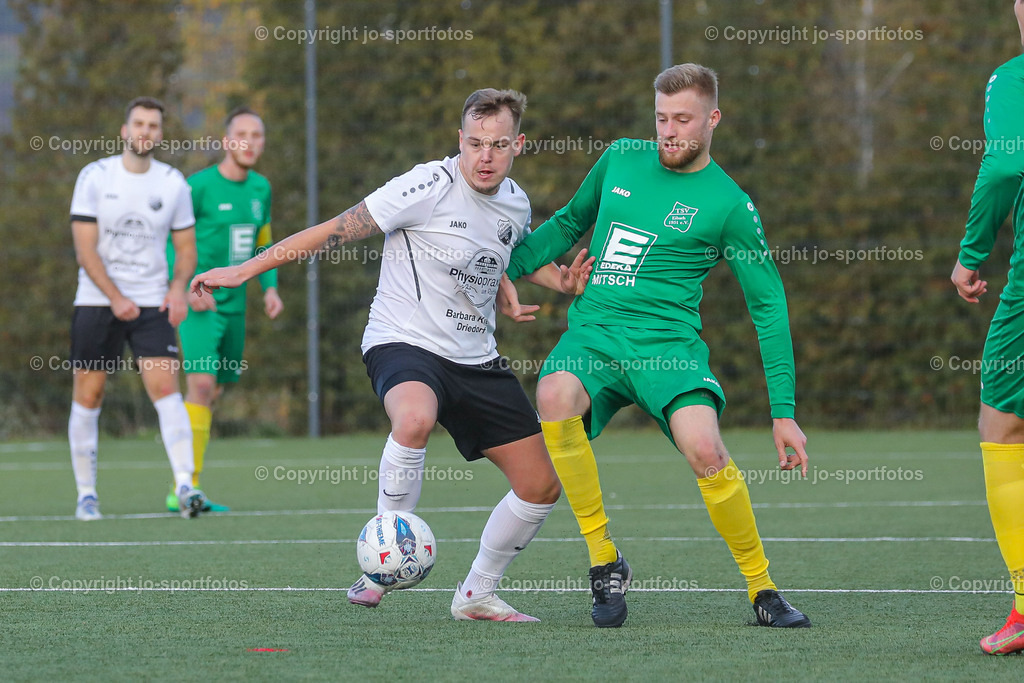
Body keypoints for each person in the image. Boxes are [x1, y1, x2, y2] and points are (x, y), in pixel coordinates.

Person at [191, 88, 593, 621]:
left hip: (476, 357)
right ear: (460, 140)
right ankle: (381, 562)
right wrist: (243, 271)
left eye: (498, 145)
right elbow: (336, 229)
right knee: (414, 418)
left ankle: (476, 594)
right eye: (474, 144)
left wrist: (553, 280)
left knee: (541, 485)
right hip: (403, 340)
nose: (485, 157)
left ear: (517, 143)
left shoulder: (516, 201)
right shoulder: (426, 184)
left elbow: (507, 253)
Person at [503, 63, 811, 628]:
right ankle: (603, 560)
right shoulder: (621, 157)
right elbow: (568, 223)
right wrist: (503, 268)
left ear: (713, 119)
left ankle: (762, 588)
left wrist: (783, 413)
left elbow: (767, 305)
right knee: (553, 396)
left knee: (706, 451)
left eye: (683, 120)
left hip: (668, 348)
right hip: (594, 335)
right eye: (662, 119)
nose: (669, 131)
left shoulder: (730, 205)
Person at [68, 96, 204, 521]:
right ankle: (86, 494)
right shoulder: (94, 176)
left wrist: (179, 287)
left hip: (151, 302)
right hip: (97, 300)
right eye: (138, 124)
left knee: (166, 391)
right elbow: (84, 249)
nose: (145, 131)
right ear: (125, 131)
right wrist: (115, 296)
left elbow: (185, 249)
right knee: (89, 395)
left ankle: (185, 485)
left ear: (160, 135)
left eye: (153, 125)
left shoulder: (173, 184)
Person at [163, 106, 283, 514]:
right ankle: (186, 487)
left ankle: (188, 481)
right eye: (242, 134)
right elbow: (170, 239)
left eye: (258, 135)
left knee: (212, 390)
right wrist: (183, 285)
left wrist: (270, 288)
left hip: (236, 307)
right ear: (226, 141)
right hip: (200, 302)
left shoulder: (261, 189)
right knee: (198, 385)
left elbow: (264, 241)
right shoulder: (197, 187)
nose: (250, 142)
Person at [950, 0, 1024, 656]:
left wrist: (972, 255)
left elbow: (1004, 166)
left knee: (1003, 423)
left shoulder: (1013, 77)